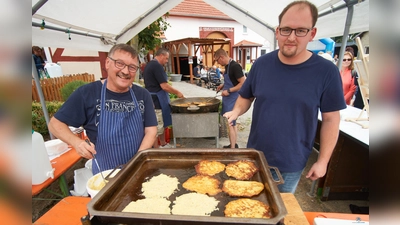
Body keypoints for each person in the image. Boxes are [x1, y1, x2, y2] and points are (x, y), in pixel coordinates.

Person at [224, 1, 346, 193]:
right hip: (255, 155)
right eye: (286, 29)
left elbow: (331, 120)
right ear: (277, 31)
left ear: (312, 34)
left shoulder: (327, 72)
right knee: (248, 206)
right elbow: (246, 96)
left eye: (300, 31)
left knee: (279, 214)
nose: (291, 37)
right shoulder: (261, 65)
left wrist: (323, 161)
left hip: (291, 162)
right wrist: (236, 111)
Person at [48, 44, 158, 175]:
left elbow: (151, 130)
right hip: (105, 174)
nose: (125, 71)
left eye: (132, 67)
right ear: (107, 63)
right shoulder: (87, 93)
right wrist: (77, 143)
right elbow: (55, 124)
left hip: (138, 169)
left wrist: (137, 161)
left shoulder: (142, 94)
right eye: (119, 63)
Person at [143, 48, 184, 148]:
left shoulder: (150, 64)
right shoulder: (156, 66)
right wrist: (178, 92)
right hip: (156, 99)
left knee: (161, 123)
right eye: (166, 58)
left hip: (154, 97)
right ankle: (157, 149)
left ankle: (163, 144)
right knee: (157, 125)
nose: (166, 61)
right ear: (161, 55)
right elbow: (164, 86)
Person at [214, 48, 246, 148]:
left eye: (217, 60)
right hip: (228, 98)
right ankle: (233, 144)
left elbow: (243, 83)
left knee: (230, 123)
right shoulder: (228, 66)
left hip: (233, 98)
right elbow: (232, 81)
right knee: (233, 123)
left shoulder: (235, 66)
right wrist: (223, 86)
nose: (218, 63)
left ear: (221, 57)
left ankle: (232, 149)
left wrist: (228, 91)